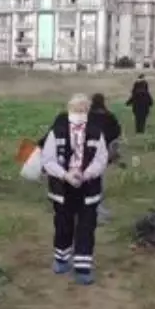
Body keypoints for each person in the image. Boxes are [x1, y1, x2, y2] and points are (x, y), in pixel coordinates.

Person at [21, 93, 110, 285]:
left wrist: (86, 174)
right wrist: (65, 175)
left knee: (86, 227)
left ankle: (83, 267)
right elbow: (48, 159)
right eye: (75, 110)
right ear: (69, 110)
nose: (79, 113)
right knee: (63, 224)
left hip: (88, 187)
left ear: (87, 111)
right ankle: (61, 258)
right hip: (62, 187)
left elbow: (101, 159)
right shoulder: (57, 131)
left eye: (83, 110)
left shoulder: (96, 132)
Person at [89, 93, 122, 224]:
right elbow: (116, 132)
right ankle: (96, 210)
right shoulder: (109, 116)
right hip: (102, 153)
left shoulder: (87, 116)